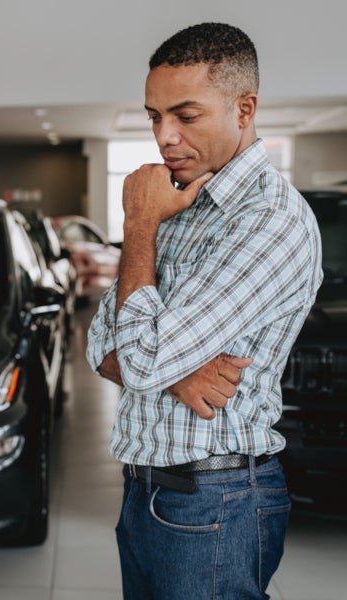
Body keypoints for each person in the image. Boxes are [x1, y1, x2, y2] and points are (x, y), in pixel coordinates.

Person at [85, 22, 322, 599]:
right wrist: (175, 373)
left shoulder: (269, 220)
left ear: (244, 108)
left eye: (185, 116)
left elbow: (136, 361)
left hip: (214, 503)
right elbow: (99, 343)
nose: (165, 136)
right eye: (153, 116)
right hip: (147, 491)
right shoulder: (182, 203)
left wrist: (138, 225)